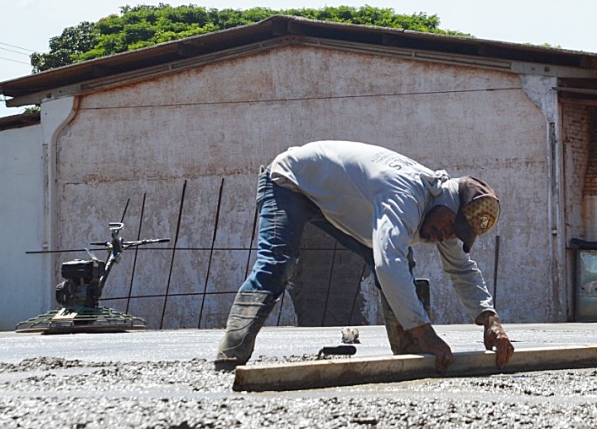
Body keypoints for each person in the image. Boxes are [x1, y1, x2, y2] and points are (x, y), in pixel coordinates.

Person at [213, 140, 515, 372]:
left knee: (401, 261)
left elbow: (461, 268)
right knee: (277, 264)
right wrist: (427, 332)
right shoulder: (407, 194)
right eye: (450, 226)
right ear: (448, 204)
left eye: (456, 233)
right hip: (289, 182)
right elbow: (388, 262)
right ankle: (230, 355)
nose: (447, 236)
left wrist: (489, 319)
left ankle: (411, 353)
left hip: (328, 198)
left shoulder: (442, 215)